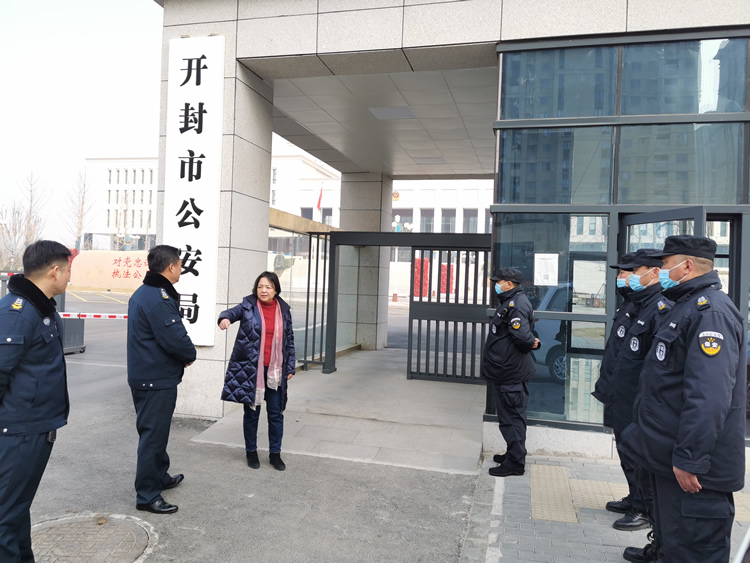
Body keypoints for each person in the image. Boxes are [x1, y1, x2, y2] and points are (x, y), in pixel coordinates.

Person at [621, 235, 746, 563]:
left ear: (687, 266)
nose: (661, 271)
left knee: (693, 551)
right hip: (668, 457)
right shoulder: (685, 305)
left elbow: (709, 396)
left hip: (694, 470)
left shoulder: (711, 313)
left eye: (665, 264)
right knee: (673, 545)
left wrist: (690, 458)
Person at [127, 245, 196, 515]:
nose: (181, 269)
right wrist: (188, 355)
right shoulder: (158, 298)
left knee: (157, 433)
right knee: (152, 437)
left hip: (150, 375)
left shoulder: (145, 293)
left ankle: (160, 475)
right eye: (179, 264)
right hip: (154, 379)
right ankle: (147, 495)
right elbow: (175, 338)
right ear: (170, 267)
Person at [218, 271, 296, 471]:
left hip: (275, 371)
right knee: (252, 413)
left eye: (268, 287)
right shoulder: (248, 306)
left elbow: (289, 340)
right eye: (260, 286)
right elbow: (230, 313)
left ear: (276, 290)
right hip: (252, 370)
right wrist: (224, 319)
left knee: (276, 414)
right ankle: (251, 452)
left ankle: (275, 454)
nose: (263, 290)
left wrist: (290, 366)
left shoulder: (284, 311)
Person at [482, 267, 540, 477]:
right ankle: (513, 453)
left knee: (512, 419)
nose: (496, 285)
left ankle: (515, 463)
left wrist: (532, 342)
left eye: (499, 282)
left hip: (511, 373)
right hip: (506, 372)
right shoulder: (510, 301)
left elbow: (523, 337)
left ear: (509, 284)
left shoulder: (516, 304)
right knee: (509, 418)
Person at [592, 252, 636, 434]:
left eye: (623, 273)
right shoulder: (628, 303)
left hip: (630, 397)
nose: (618, 278)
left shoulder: (644, 306)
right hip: (617, 393)